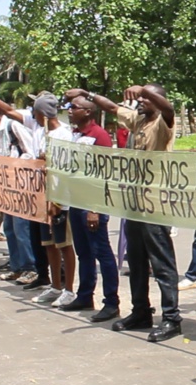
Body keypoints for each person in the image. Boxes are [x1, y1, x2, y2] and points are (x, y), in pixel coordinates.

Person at [64, 84, 182, 343]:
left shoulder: (163, 123)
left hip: (156, 206)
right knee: (136, 262)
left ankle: (172, 317)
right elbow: (111, 107)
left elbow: (169, 108)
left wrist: (145, 91)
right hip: (134, 203)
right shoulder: (137, 119)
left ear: (156, 99)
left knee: (162, 264)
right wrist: (87, 94)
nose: (140, 101)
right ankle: (141, 311)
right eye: (139, 97)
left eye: (145, 98)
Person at [0, 86, 53, 290]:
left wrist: (18, 166)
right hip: (6, 182)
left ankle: (30, 266)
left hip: (21, 181)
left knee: (22, 227)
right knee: (10, 227)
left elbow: (30, 152)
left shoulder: (16, 125)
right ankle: (17, 264)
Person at [62, 95, 121, 323]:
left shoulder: (100, 136)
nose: (69, 110)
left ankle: (111, 302)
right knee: (83, 252)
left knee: (102, 253)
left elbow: (104, 174)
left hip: (91, 204)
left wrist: (95, 208)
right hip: (76, 202)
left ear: (87, 112)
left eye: (74, 107)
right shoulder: (76, 135)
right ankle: (85, 295)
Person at [27, 95, 78, 309]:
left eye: (36, 113)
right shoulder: (43, 133)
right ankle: (55, 285)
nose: (34, 117)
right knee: (49, 244)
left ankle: (69, 289)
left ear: (43, 114)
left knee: (64, 244)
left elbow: (68, 166)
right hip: (45, 196)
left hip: (61, 199)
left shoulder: (64, 134)